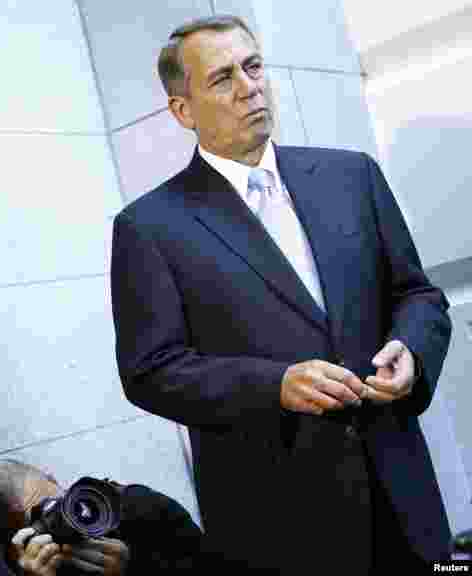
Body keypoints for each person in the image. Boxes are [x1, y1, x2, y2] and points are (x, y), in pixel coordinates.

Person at [109, 14, 453, 573]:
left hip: (403, 501)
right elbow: (152, 371)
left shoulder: (353, 176)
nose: (249, 87)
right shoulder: (149, 227)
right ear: (183, 111)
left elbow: (418, 296)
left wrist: (412, 350)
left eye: (253, 67)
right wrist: (276, 386)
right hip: (282, 526)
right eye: (223, 78)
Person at [0, 459, 214, 574]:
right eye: (43, 522)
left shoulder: (134, 507)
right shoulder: (27, 568)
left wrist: (134, 566)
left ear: (53, 479)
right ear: (14, 547)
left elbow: (210, 567)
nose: (68, 521)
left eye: (58, 504)